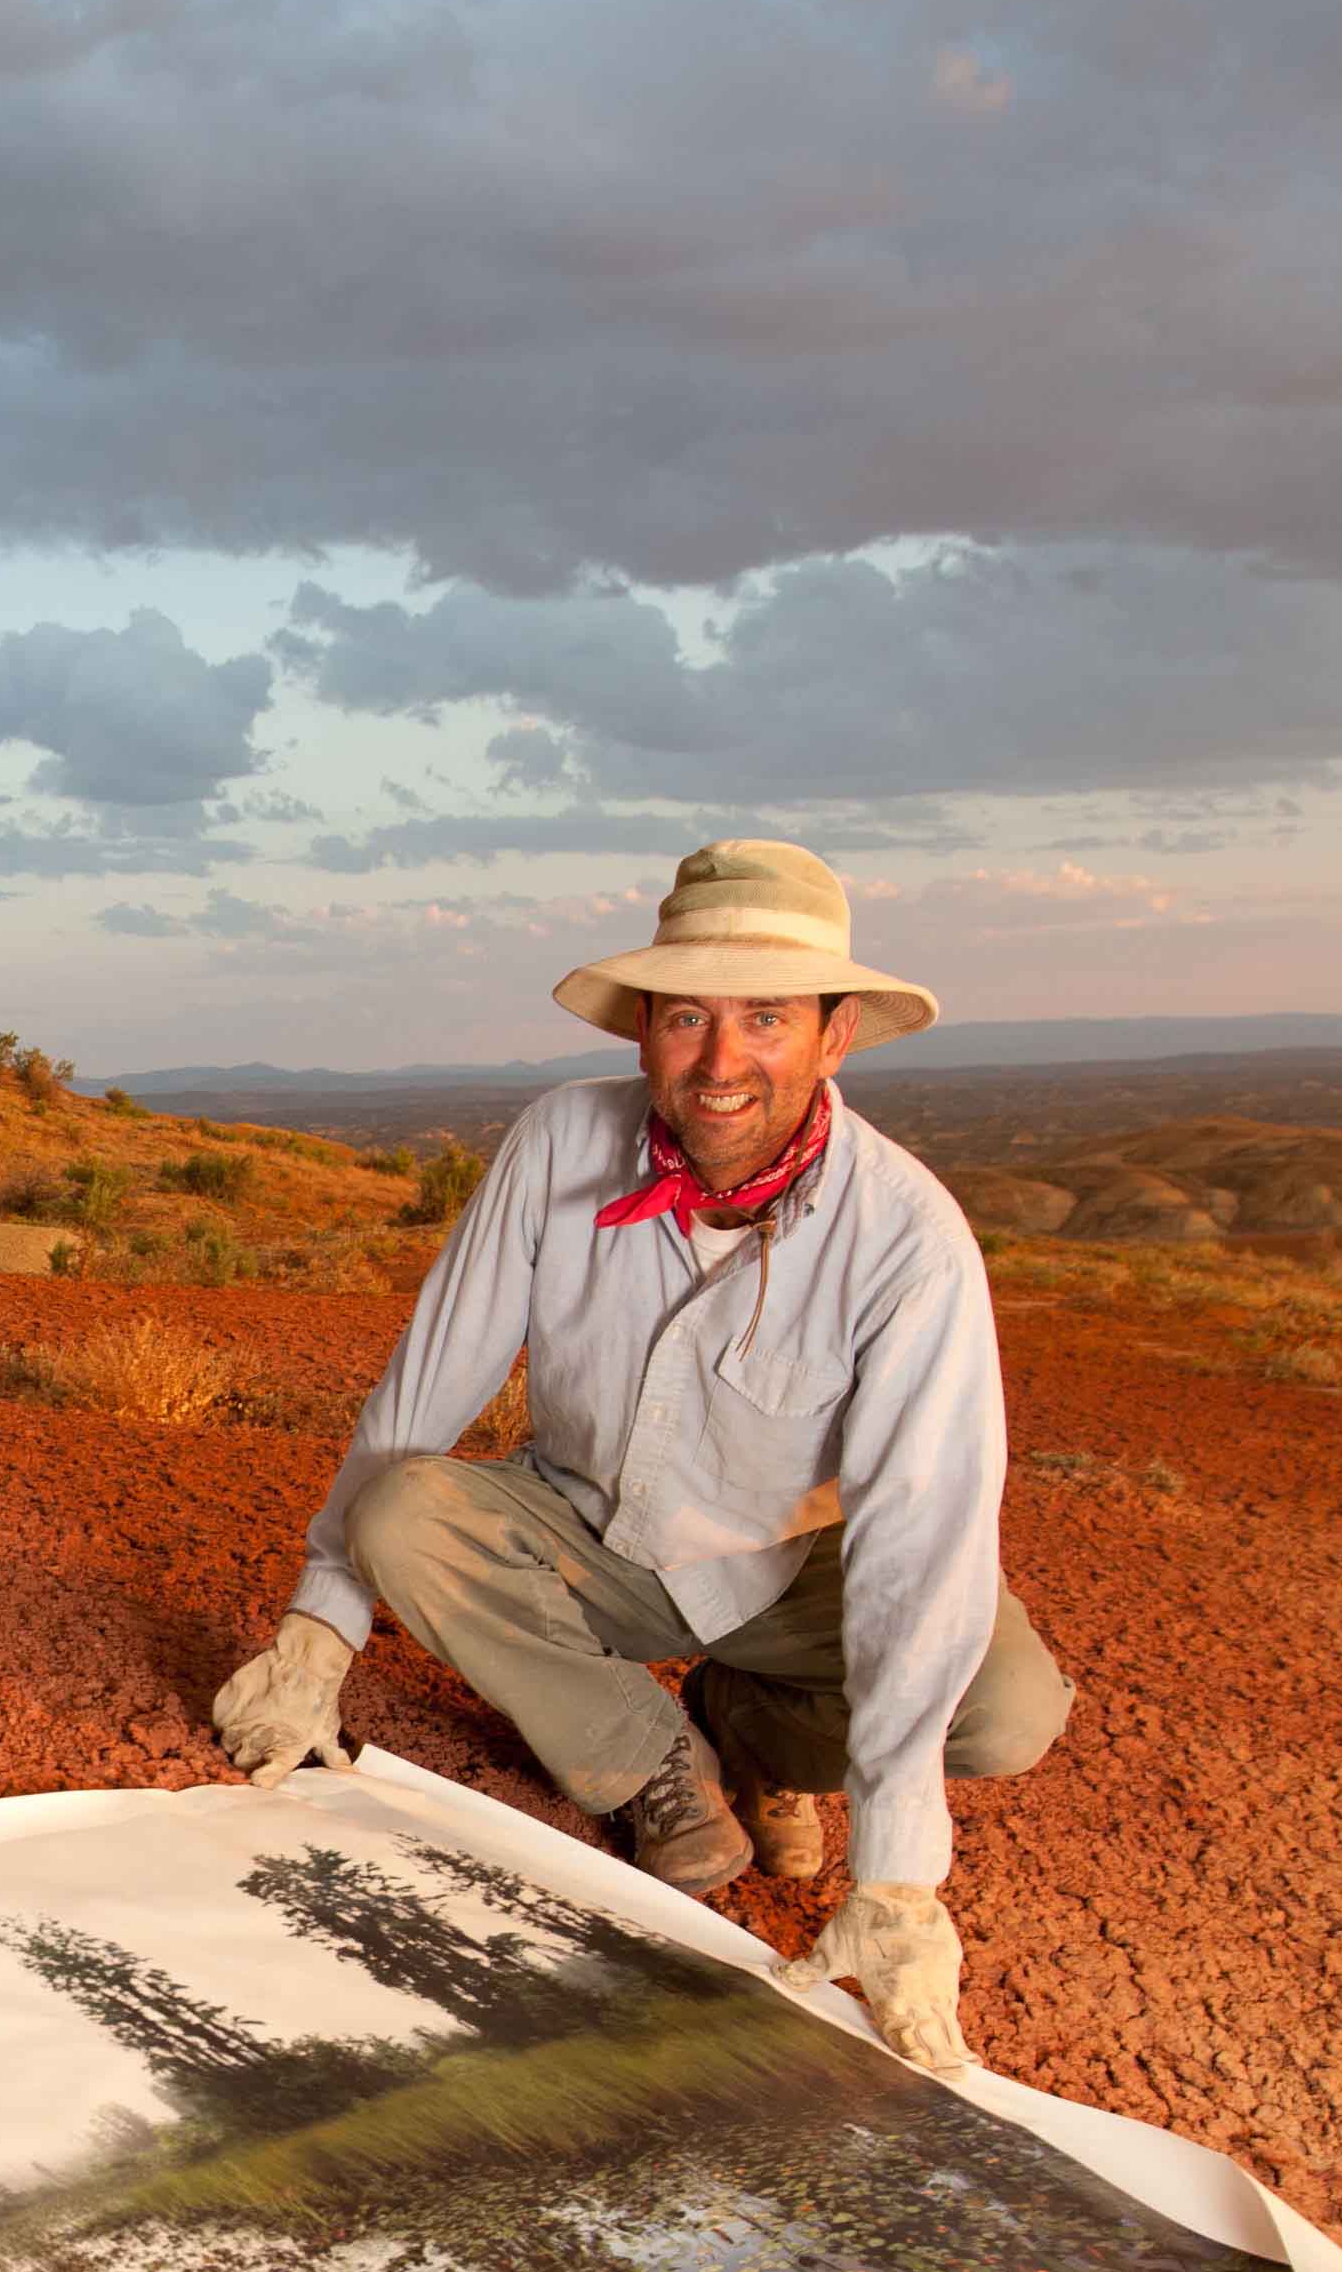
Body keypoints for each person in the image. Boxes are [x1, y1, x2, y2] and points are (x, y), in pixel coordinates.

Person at [207, 836, 1066, 2075]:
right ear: (645, 1033)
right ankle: (645, 1753)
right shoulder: (559, 1142)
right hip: (582, 1536)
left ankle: (752, 1736)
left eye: (766, 1018)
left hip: (784, 1571)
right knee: (402, 1515)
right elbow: (429, 1386)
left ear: (834, 1038)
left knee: (1006, 1709)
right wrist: (319, 1633)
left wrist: (896, 1881)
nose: (723, 1063)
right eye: (687, 1019)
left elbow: (919, 1542)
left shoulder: (910, 1242)